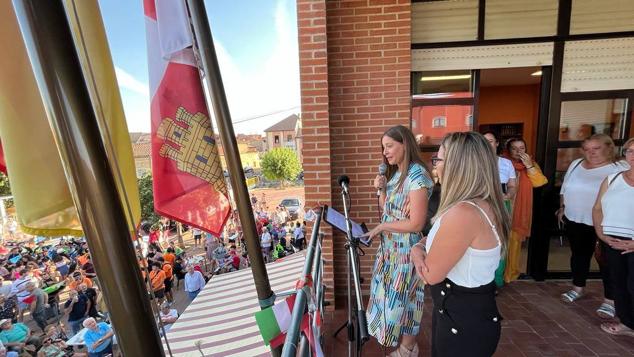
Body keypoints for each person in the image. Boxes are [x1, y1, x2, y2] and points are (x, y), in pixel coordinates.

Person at [411, 132, 510, 356]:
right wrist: (424, 243)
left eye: (439, 159)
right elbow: (445, 239)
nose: (435, 165)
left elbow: (430, 275)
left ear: (458, 165)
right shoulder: (481, 203)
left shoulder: (463, 213)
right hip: (467, 314)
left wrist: (416, 251)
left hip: (463, 322)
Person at [364, 125, 433, 355]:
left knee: (409, 301)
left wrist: (382, 226)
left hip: (406, 252)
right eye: (383, 148)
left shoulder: (417, 176)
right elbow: (389, 210)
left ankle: (407, 348)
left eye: (390, 146)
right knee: (399, 301)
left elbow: (416, 223)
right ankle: (407, 348)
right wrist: (381, 191)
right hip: (391, 250)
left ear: (404, 143)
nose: (385, 152)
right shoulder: (396, 176)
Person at [558, 134, 628, 317]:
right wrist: (562, 207)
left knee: (607, 262)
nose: (591, 153)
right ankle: (578, 287)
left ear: (608, 148)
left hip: (605, 225)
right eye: (587, 149)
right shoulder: (576, 165)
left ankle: (610, 300)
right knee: (578, 256)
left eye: (596, 148)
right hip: (575, 219)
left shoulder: (620, 168)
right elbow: (565, 189)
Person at [593, 138, 634, 336]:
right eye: (631, 151)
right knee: (619, 282)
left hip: (633, 242)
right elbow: (598, 208)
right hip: (612, 239)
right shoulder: (612, 179)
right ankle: (626, 322)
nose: (633, 156)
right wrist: (602, 234)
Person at [503, 138, 548, 283]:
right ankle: (498, 276)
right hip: (504, 208)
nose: (518, 152)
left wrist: (529, 166)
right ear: (508, 150)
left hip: (519, 211)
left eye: (521, 148)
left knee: (514, 244)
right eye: (514, 148)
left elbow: (540, 182)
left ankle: (510, 276)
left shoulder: (530, 164)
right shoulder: (503, 162)